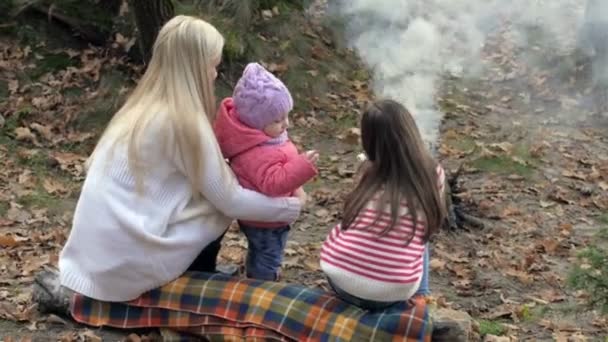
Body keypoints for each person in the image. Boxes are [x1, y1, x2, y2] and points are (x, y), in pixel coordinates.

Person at [56, 15, 306, 303]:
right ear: (196, 68)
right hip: (126, 266)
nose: (215, 74)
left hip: (97, 258)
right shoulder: (183, 121)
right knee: (217, 205)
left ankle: (189, 270)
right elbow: (230, 199)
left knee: (206, 190)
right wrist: (290, 206)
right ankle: (197, 274)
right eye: (213, 65)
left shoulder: (138, 107)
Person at [320, 99, 446, 310]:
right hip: (394, 291)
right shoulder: (433, 174)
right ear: (410, 131)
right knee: (419, 233)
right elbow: (427, 226)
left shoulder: (366, 173)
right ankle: (420, 297)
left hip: (340, 279)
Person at [213, 62, 319, 281]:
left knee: (261, 251)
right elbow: (272, 183)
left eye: (286, 116)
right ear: (255, 122)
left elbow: (282, 163)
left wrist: (295, 183)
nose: (286, 124)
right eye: (278, 120)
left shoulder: (266, 136)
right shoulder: (256, 152)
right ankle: (262, 285)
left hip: (269, 213)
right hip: (267, 219)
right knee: (268, 255)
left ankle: (255, 271)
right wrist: (301, 168)